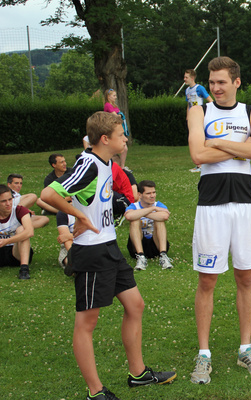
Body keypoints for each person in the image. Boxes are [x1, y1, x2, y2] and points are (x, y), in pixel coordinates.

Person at [40, 112, 176, 400]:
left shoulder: (107, 165)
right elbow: (49, 194)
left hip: (109, 247)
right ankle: (96, 392)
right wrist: (79, 217)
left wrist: (148, 210)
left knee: (135, 305)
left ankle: (138, 374)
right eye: (121, 134)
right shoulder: (88, 164)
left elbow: (112, 206)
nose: (125, 139)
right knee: (86, 323)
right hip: (91, 252)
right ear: (105, 139)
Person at [187, 56, 251, 384]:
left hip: (244, 203)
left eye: (222, 82)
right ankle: (203, 354)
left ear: (236, 82)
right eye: (212, 82)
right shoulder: (199, 111)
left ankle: (245, 349)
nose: (216, 88)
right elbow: (198, 155)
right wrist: (240, 147)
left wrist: (217, 143)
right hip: (212, 204)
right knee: (207, 280)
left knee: (245, 277)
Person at [124, 180, 173, 271]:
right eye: (148, 193)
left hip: (155, 243)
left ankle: (163, 255)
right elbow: (129, 216)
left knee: (159, 221)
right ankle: (140, 256)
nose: (152, 196)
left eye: (154, 192)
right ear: (139, 195)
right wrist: (153, 209)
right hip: (138, 244)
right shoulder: (134, 206)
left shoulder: (158, 204)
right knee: (134, 221)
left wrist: (140, 213)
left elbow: (165, 216)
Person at [0, 184, 34, 280]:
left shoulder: (19, 210)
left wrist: (7, 241)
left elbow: (30, 232)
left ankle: (24, 269)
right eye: (3, 201)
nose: (8, 204)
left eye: (10, 199)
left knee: (22, 230)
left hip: (16, 252)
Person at [184, 69, 213, 173]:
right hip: (192, 118)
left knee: (202, 139)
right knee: (193, 140)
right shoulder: (187, 90)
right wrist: (188, 117)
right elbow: (189, 104)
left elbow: (210, 100)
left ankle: (203, 164)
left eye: (186, 77)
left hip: (200, 117)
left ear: (192, 78)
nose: (184, 79)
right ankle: (198, 164)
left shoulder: (199, 88)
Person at [104, 89, 130, 171]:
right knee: (120, 148)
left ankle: (121, 166)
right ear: (109, 97)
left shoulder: (114, 105)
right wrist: (120, 115)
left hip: (116, 129)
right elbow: (115, 117)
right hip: (112, 130)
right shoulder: (108, 105)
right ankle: (116, 166)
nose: (115, 97)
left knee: (124, 148)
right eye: (114, 95)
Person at [56, 200, 75, 274]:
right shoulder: (63, 213)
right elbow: (65, 239)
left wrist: (70, 235)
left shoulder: (92, 211)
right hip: (71, 247)